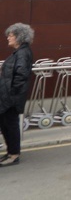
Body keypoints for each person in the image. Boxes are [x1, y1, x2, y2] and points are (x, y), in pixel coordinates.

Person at [0, 23, 34, 167]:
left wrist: (12, 95)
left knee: (10, 125)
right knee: (6, 125)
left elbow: (21, 75)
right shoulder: (19, 52)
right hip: (8, 96)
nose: (8, 37)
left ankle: (14, 155)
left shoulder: (22, 53)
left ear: (19, 37)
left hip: (11, 97)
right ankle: (10, 152)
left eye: (11, 35)